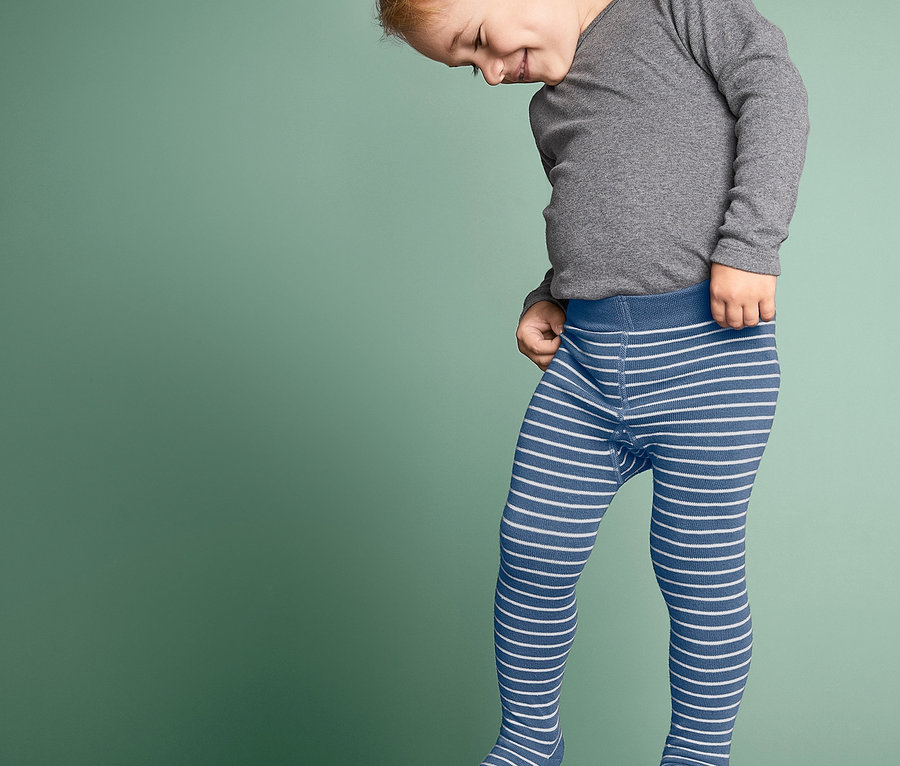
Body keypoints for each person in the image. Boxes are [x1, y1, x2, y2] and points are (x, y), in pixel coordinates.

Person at [375, 1, 809, 764]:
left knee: (694, 569)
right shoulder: (549, 105)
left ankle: (699, 755)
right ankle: (528, 742)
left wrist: (751, 242)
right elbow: (596, 218)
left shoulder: (674, 10)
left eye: (479, 41)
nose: (487, 73)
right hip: (588, 367)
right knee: (532, 545)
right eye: (466, 66)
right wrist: (549, 295)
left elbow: (773, 89)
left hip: (709, 359)